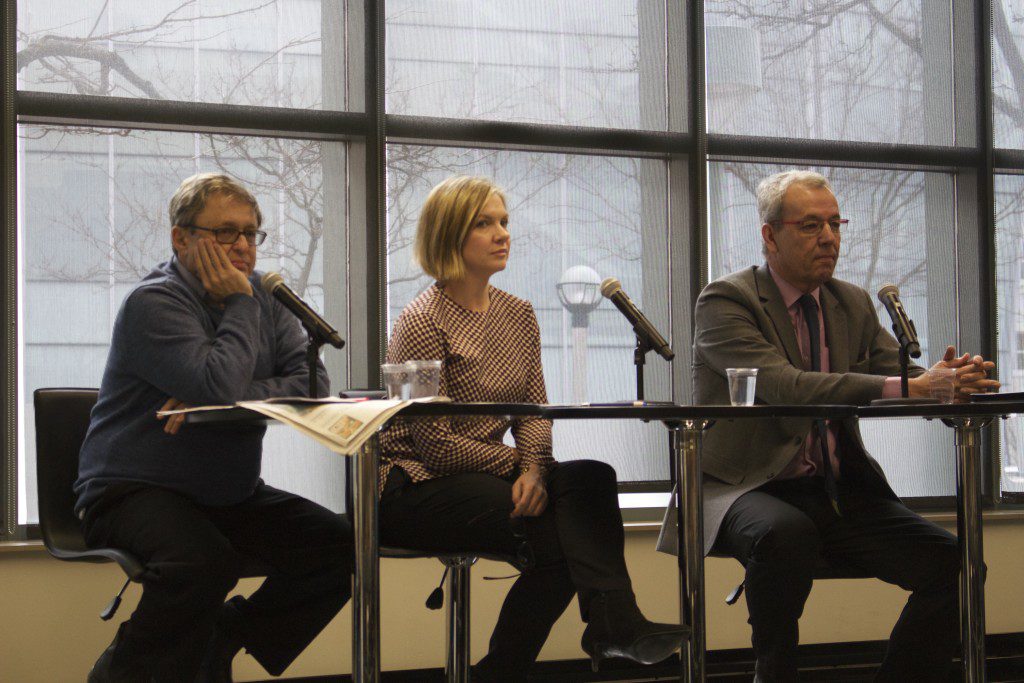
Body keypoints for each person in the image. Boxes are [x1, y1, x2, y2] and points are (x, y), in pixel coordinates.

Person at [662, 169, 999, 682]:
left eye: (836, 225)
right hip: (743, 486)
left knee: (957, 563)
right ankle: (772, 672)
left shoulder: (852, 303)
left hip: (836, 490)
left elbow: (902, 379)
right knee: (786, 533)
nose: (829, 238)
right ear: (769, 235)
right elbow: (787, 386)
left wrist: (950, 385)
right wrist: (915, 386)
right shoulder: (727, 301)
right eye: (811, 225)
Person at [379, 175, 685, 681]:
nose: (503, 234)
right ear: (450, 234)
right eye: (485, 224)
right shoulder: (421, 318)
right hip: (414, 482)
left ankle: (611, 621)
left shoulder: (519, 314)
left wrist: (536, 468)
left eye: (504, 221)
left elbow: (533, 412)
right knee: (560, 536)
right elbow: (434, 444)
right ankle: (519, 663)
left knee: (590, 477)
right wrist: (524, 468)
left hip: (484, 473)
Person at [74, 173, 352, 682]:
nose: (243, 246)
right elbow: (219, 382)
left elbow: (311, 385)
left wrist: (231, 391)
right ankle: (121, 672)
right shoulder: (154, 303)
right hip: (131, 490)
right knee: (203, 565)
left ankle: (225, 633)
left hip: (227, 492)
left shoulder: (268, 297)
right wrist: (240, 310)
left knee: (337, 546)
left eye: (251, 232)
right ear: (182, 237)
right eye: (226, 232)